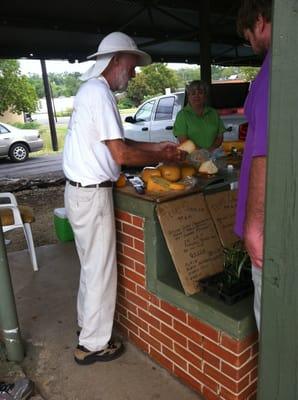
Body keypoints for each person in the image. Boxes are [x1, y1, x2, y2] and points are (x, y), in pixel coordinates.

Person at [62, 31, 186, 365]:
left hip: (79, 192)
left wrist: (156, 147)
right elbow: (120, 153)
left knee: (91, 269)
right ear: (116, 61)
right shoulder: (99, 94)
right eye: (131, 66)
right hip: (91, 196)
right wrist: (159, 157)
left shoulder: (92, 91)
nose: (133, 74)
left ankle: (86, 328)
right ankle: (92, 345)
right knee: (101, 271)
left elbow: (118, 141)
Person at [235, 0, 272, 331]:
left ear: (260, 22)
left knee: (272, 327)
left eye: (248, 35)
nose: (250, 43)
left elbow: (264, 152)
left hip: (273, 230)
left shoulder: (274, 70)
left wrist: (254, 227)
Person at [173, 80, 225, 151]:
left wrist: (210, 150)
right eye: (193, 93)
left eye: (200, 93)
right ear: (189, 96)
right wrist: (202, 152)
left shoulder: (213, 113)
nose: (197, 96)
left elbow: (220, 137)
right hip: (190, 158)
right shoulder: (182, 115)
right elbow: (183, 141)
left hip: (212, 155)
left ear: (205, 95)